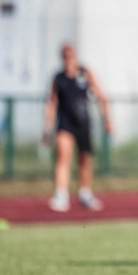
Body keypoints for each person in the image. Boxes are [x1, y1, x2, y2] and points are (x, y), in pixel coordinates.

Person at [42, 43, 112, 212]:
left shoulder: (85, 74)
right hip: (65, 124)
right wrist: (47, 128)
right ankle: (61, 195)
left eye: (70, 55)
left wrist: (107, 120)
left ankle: (85, 194)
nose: (68, 59)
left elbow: (101, 96)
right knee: (63, 158)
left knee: (85, 160)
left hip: (84, 123)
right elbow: (52, 103)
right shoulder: (58, 78)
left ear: (75, 56)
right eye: (65, 56)